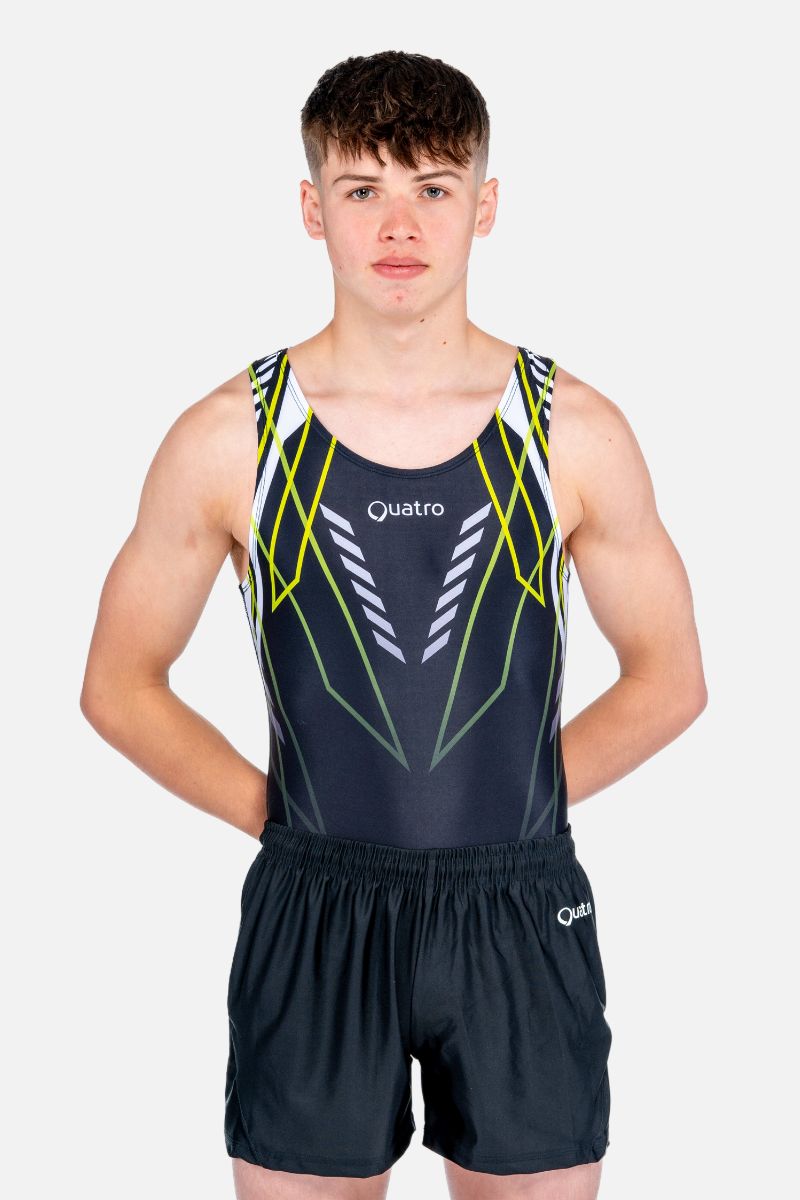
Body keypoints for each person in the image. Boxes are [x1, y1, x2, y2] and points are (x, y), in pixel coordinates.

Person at [81, 50, 706, 1200]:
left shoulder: (571, 433)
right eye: (362, 188)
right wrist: (283, 819)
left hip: (518, 907)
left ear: (485, 205)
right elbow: (120, 683)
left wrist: (515, 807)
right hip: (315, 908)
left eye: (432, 186)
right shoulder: (230, 438)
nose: (399, 224)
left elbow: (668, 678)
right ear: (311, 207)